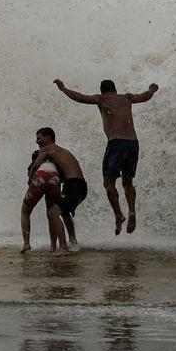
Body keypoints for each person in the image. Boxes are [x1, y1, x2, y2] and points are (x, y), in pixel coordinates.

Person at [54, 78, 158, 235]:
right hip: (133, 143)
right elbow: (145, 96)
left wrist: (63, 89)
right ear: (115, 90)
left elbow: (80, 97)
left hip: (116, 144)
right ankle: (132, 212)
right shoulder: (127, 98)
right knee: (128, 182)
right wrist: (151, 89)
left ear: (102, 91)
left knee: (108, 183)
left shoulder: (101, 99)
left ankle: (118, 214)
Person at [29, 127, 88, 248]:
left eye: (39, 138)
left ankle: (63, 248)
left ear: (49, 137)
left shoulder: (46, 149)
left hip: (73, 185)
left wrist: (30, 181)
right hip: (79, 186)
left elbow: (35, 167)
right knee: (64, 212)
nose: (37, 142)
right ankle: (73, 242)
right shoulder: (61, 151)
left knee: (52, 212)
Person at [21, 148, 69, 254]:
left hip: (40, 176)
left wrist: (31, 182)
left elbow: (32, 174)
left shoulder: (36, 164)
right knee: (51, 213)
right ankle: (53, 246)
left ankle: (26, 243)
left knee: (25, 210)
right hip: (54, 179)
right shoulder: (55, 164)